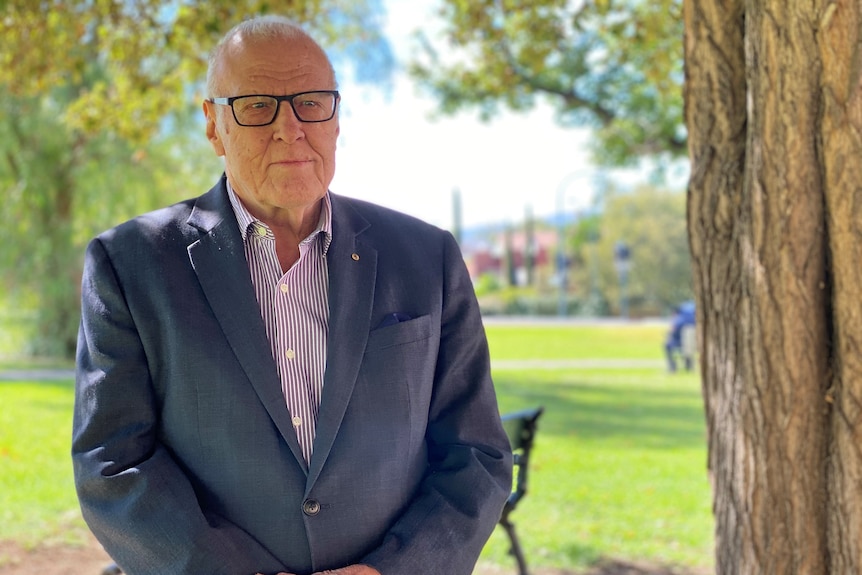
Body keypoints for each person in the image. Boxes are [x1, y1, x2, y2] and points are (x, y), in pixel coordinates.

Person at [72, 15, 512, 575]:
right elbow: (112, 462)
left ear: (335, 118)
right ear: (213, 125)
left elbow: (478, 452)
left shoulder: (428, 259)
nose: (290, 128)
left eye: (310, 102)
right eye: (257, 105)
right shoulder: (130, 263)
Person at [664, 300, 696, 372]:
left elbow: (672, 329)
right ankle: (688, 366)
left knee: (667, 346)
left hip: (680, 341)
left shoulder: (679, 319)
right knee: (687, 349)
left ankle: (672, 367)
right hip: (689, 341)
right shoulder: (689, 316)